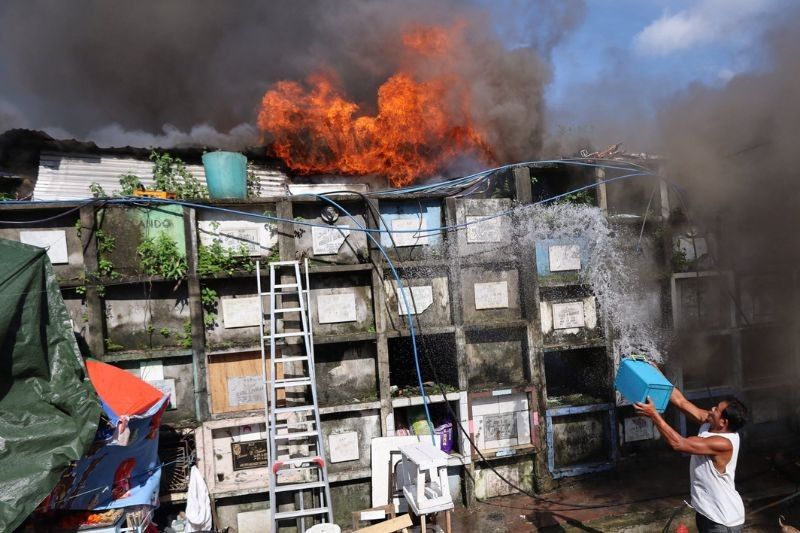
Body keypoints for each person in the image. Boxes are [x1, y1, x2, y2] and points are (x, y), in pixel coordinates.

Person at [634, 387, 748, 533]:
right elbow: (681, 402)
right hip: (708, 513)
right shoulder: (712, 423)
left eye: (716, 409)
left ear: (723, 423)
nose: (711, 409)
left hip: (722, 520)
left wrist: (654, 415)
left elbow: (679, 444)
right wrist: (657, 376)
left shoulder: (723, 443)